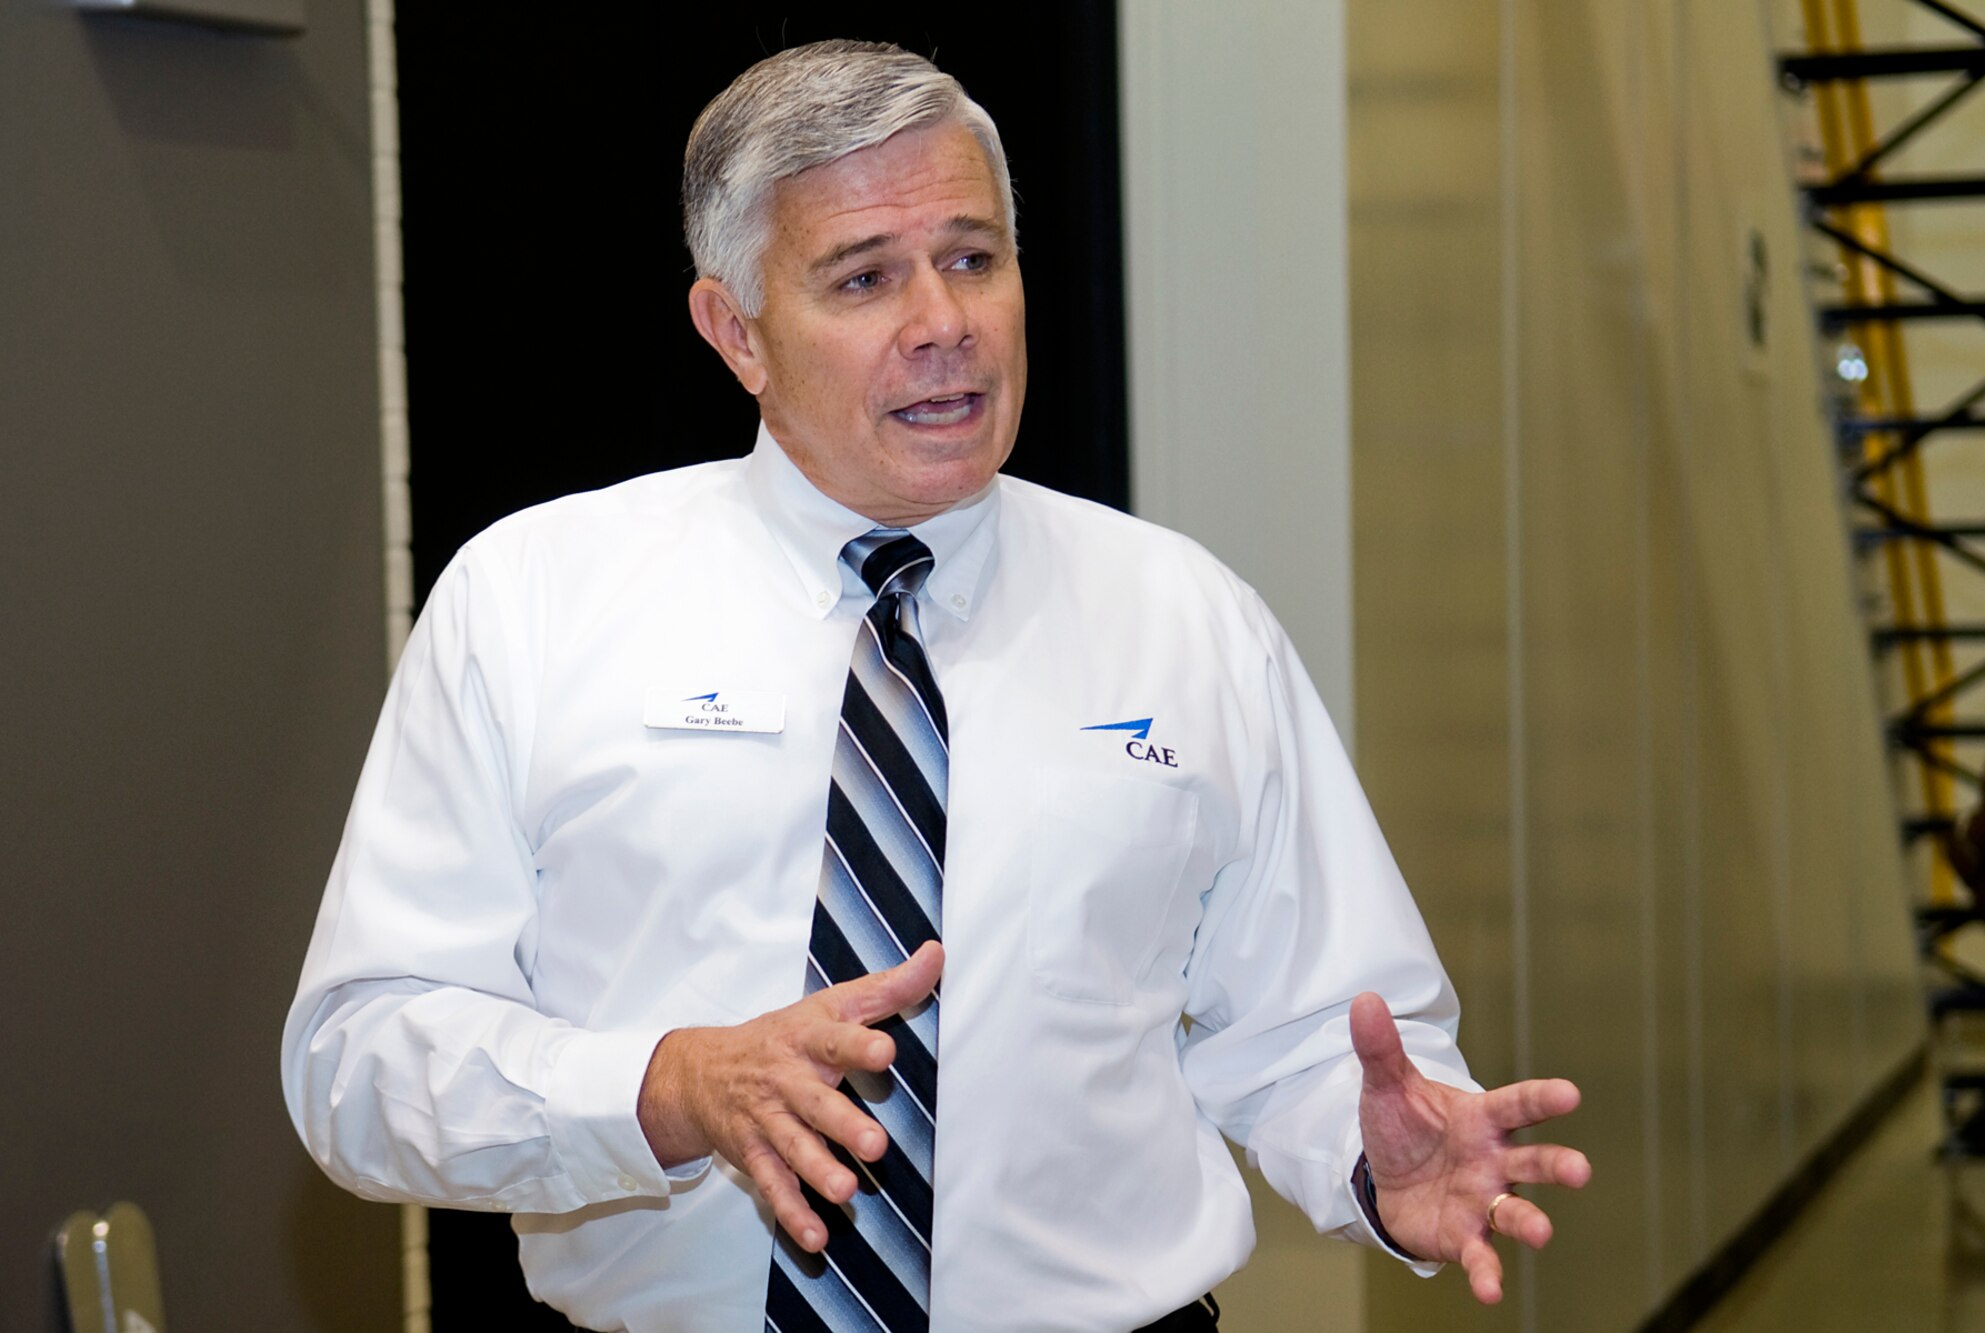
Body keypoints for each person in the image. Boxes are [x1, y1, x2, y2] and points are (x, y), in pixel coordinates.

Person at [281, 40, 1590, 1333]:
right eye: (864, 278)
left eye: (973, 259)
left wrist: (1376, 1152)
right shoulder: (533, 602)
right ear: (734, 329)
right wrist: (665, 1088)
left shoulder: (1186, 618)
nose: (943, 325)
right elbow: (361, 1057)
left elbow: (1317, 1029)